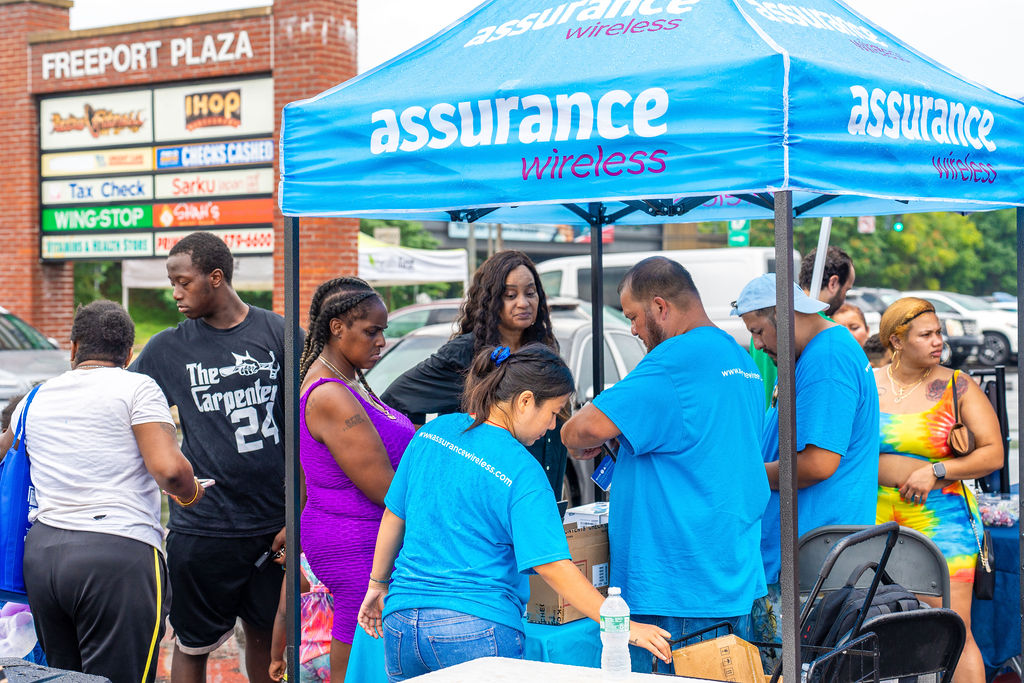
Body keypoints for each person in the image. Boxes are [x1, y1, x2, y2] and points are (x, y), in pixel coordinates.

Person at [357, 344, 671, 681]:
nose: (552, 425)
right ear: (524, 401)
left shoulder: (433, 433)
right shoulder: (523, 470)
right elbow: (552, 565)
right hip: (475, 627)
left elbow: (394, 515)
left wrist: (377, 584)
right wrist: (620, 624)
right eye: (553, 412)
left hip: (402, 623)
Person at [561, 256, 768, 674]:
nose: (633, 330)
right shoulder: (739, 357)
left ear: (660, 307)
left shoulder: (674, 360)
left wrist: (590, 436)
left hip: (677, 591)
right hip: (732, 575)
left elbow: (580, 429)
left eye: (633, 317)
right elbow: (698, 442)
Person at [0, 301, 200, 682]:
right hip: (117, 557)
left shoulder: (36, 397)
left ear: (74, 348)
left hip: (45, 560)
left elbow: (3, 451)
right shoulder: (138, 388)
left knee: (61, 677)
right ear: (128, 354)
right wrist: (192, 494)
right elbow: (171, 471)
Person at [130, 232, 286, 683]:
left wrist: (297, 514)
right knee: (192, 644)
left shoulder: (277, 333)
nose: (175, 293)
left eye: (183, 282)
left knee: (267, 640)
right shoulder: (167, 349)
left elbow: (308, 426)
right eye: (172, 283)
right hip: (203, 527)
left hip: (271, 526)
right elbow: (122, 407)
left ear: (216, 277)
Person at [734, 274, 879, 648]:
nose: (758, 344)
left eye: (759, 331)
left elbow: (818, 464)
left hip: (812, 561)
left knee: (790, 667)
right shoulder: (819, 352)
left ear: (785, 314)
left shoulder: (827, 359)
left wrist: (743, 475)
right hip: (809, 555)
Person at [875, 297, 1002, 683]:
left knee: (953, 631)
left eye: (939, 333)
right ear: (897, 341)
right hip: (874, 518)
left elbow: (993, 453)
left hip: (942, 521)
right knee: (874, 630)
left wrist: (937, 470)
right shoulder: (868, 381)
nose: (938, 342)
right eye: (926, 334)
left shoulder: (956, 385)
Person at [298, 277, 414, 678]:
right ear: (337, 327)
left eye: (383, 330)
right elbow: (384, 488)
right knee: (362, 632)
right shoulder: (330, 394)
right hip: (352, 536)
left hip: (365, 530)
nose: (381, 341)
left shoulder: (347, 380)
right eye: (371, 331)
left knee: (368, 635)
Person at [381, 250, 567, 494]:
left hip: (542, 485)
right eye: (510, 295)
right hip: (488, 494)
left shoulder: (544, 346)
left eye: (530, 293)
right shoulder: (465, 352)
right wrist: (434, 445)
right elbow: (394, 400)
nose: (523, 303)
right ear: (490, 300)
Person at [269, 553, 333, 683]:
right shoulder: (349, 562)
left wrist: (276, 658)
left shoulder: (299, 565)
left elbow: (283, 614)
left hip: (302, 658)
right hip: (337, 653)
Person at [798, 245, 856, 316]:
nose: (844, 302)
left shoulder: (787, 307)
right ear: (833, 283)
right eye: (846, 290)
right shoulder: (823, 322)